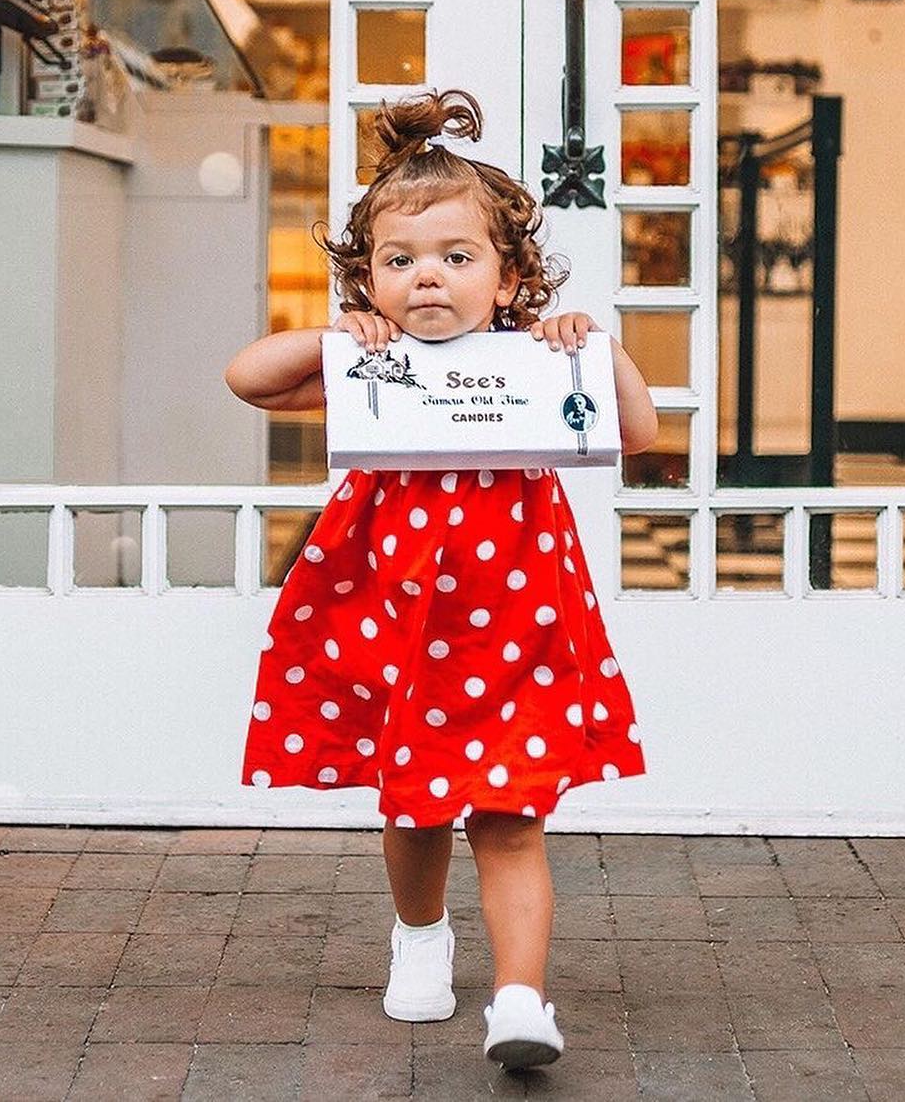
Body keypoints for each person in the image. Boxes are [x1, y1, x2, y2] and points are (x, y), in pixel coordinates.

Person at [224, 88, 657, 1073]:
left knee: (509, 816)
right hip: (398, 623)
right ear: (368, 278)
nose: (428, 278)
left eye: (457, 258)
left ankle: (518, 996)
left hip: (513, 623)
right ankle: (420, 932)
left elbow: (635, 430)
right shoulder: (365, 365)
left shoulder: (536, 361)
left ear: (508, 277)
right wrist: (337, 334)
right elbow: (249, 378)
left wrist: (598, 347)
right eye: (400, 260)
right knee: (413, 806)